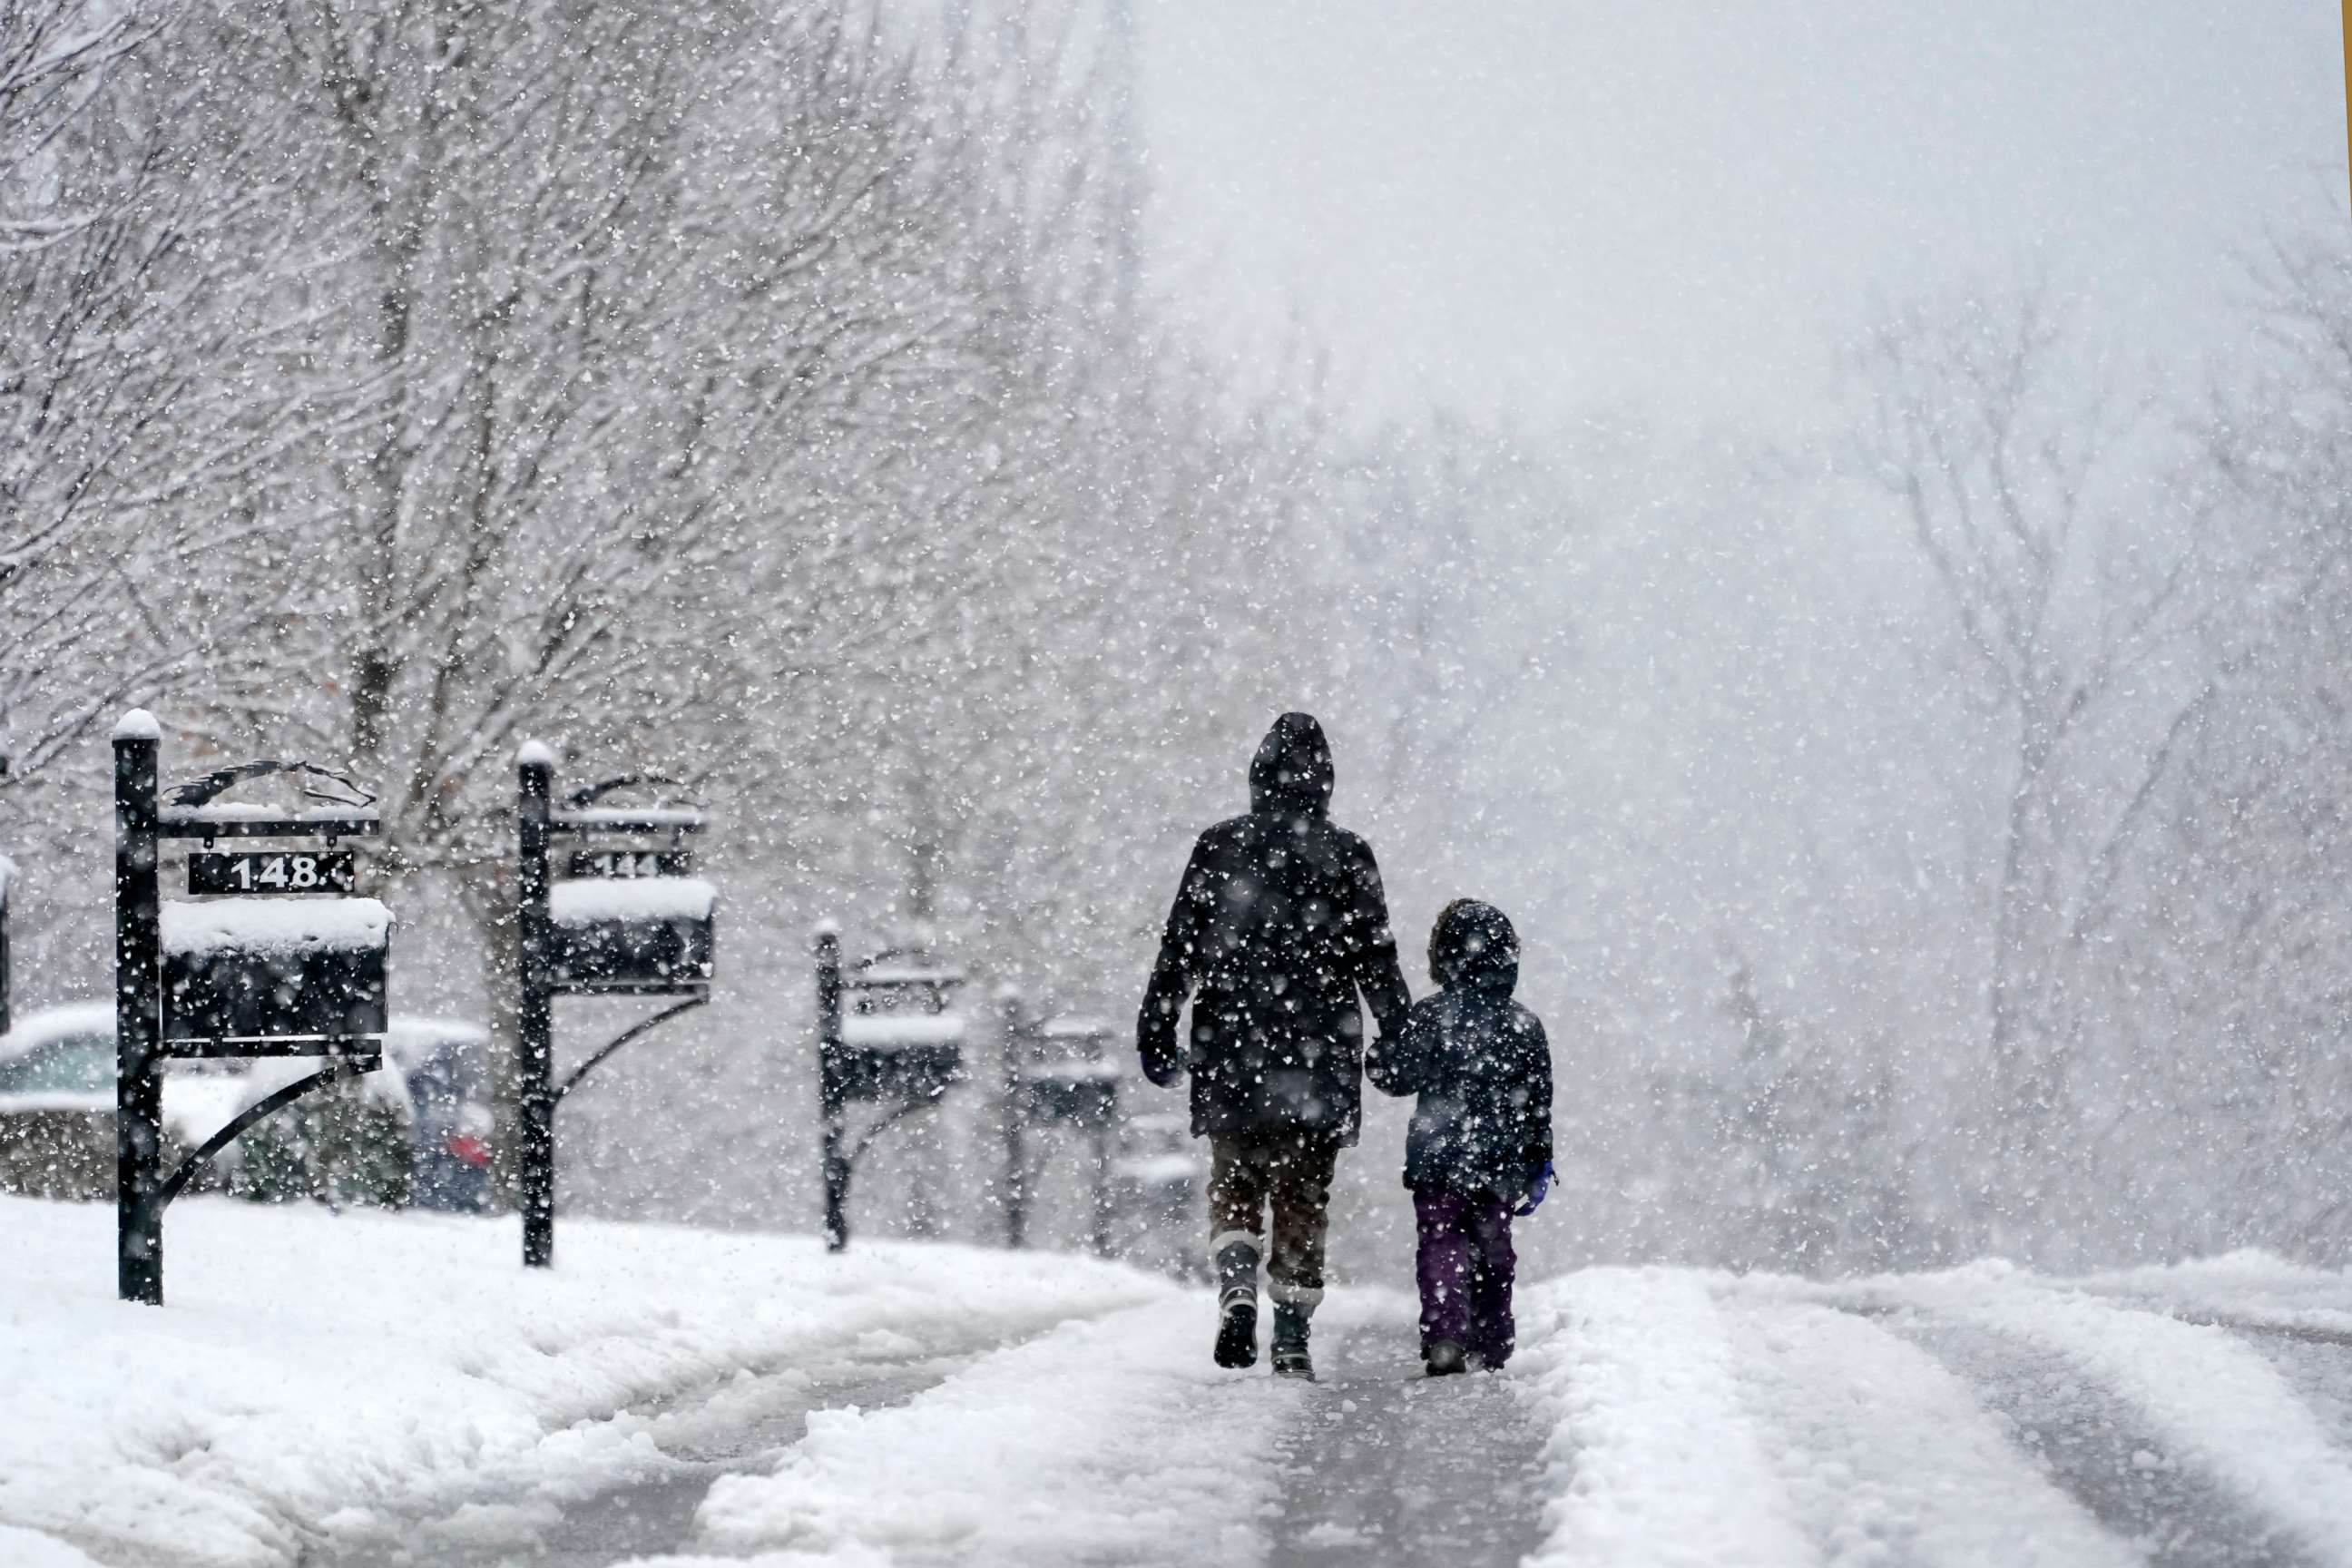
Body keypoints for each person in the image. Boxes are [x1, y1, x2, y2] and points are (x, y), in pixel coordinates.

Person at [1137, 712, 1412, 1380]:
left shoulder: (1219, 847)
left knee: (1233, 1180)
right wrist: (1398, 1036)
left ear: (1258, 775)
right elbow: (1376, 959)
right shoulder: (1348, 855)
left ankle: (1237, 1285)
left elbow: (1180, 948)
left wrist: (1158, 1025)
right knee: (1302, 1192)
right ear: (1324, 782)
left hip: (1232, 1043)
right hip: (1319, 1049)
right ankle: (1290, 1332)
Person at [1367, 898, 1553, 1376]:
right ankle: (1492, 1342)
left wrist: (1380, 1057)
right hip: (1499, 1161)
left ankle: (1446, 1331)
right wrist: (1539, 1161)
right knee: (1495, 1252)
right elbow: (1537, 1104)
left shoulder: (1431, 1017)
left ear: (1443, 957)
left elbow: (1397, 1077)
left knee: (1441, 1241)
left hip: (1438, 1156)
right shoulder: (1523, 1024)